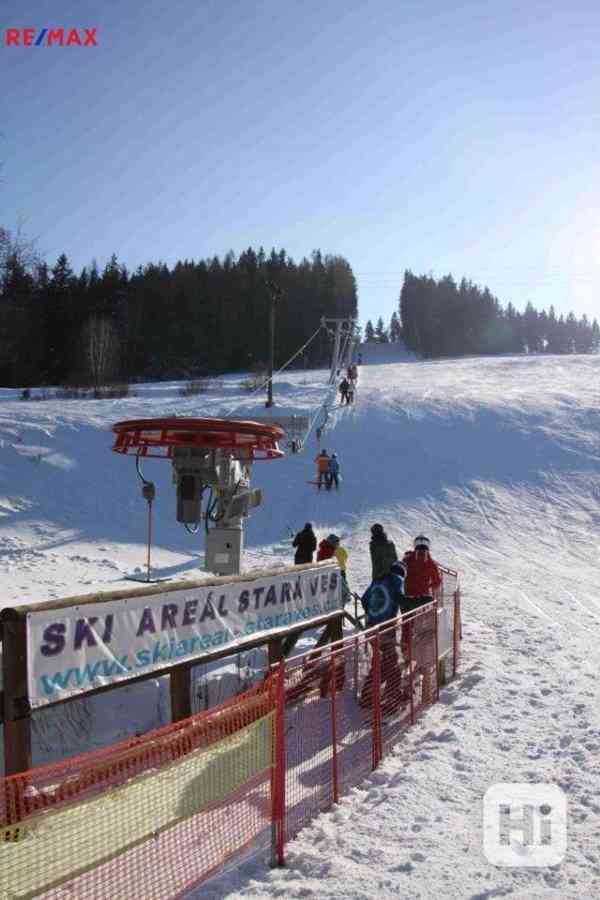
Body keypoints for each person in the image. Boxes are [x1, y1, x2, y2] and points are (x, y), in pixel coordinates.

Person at [359, 560, 407, 709]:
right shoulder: (397, 580)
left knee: (384, 661)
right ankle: (390, 697)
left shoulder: (378, 580)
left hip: (371, 627)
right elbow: (401, 599)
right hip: (385, 628)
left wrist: (371, 613)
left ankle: (372, 696)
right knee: (391, 662)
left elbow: (364, 599)